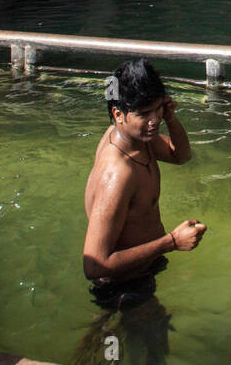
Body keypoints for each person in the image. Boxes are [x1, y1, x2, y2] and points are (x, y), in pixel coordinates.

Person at [83, 58, 206, 310]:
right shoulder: (118, 174)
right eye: (144, 114)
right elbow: (94, 265)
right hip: (124, 286)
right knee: (152, 343)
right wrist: (172, 242)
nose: (154, 120)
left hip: (143, 265)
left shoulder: (137, 139)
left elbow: (180, 156)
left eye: (158, 109)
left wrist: (170, 117)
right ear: (119, 114)